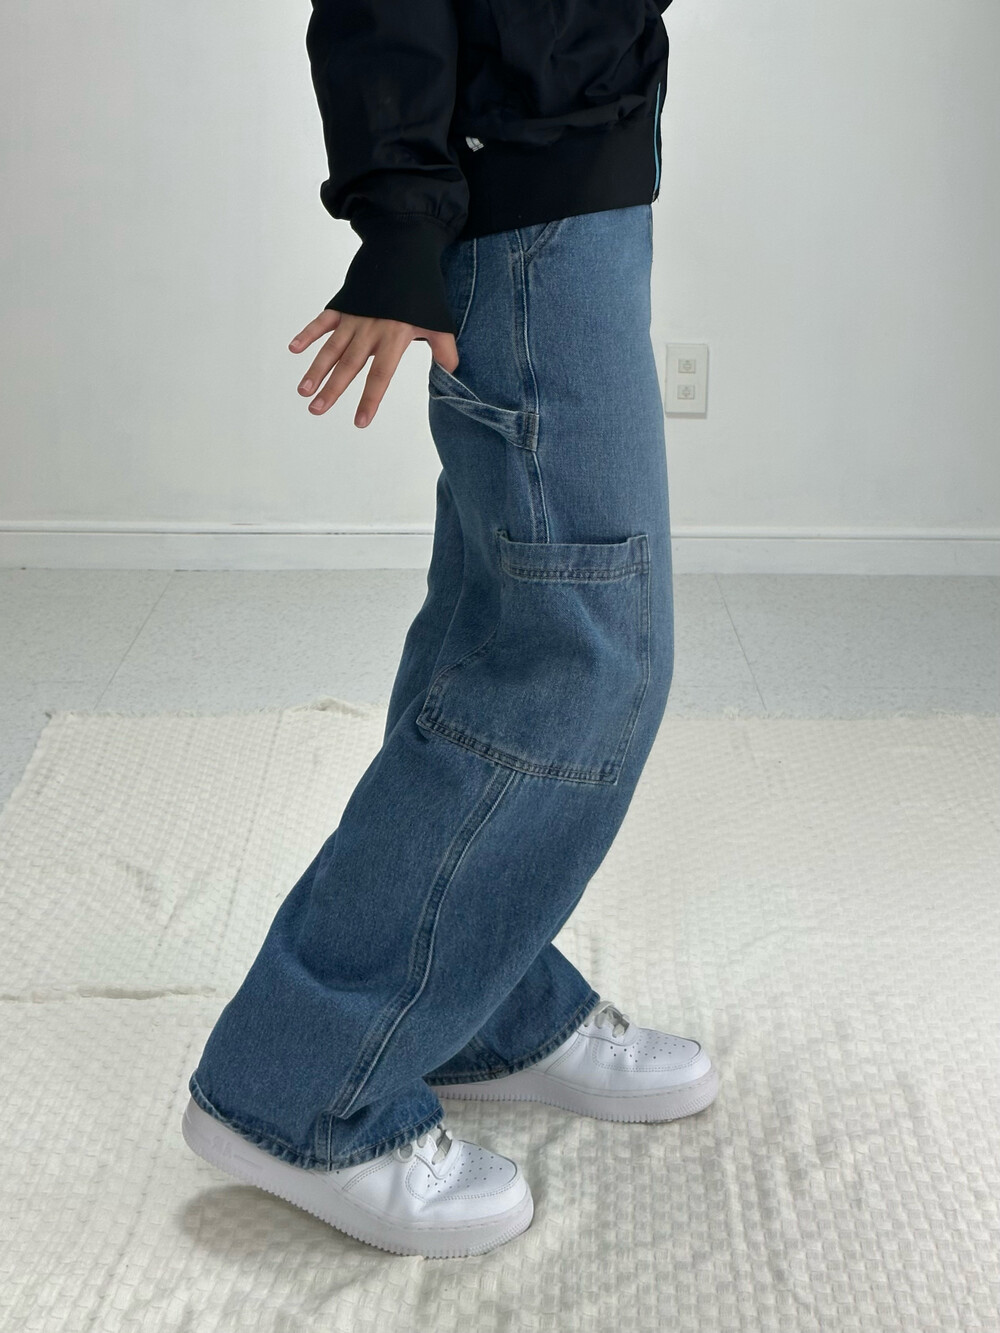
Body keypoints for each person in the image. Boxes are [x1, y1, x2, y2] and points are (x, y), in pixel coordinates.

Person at [181, 0, 719, 1258]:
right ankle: (298, 1083)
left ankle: (480, 999)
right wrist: (403, 217)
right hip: (521, 189)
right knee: (578, 659)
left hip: (582, 165)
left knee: (500, 627)